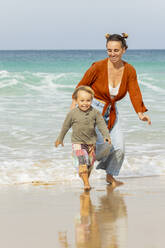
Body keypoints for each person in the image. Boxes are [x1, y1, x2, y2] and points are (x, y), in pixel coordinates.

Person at [71, 33, 151, 187]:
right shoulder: (98, 67)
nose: (112, 54)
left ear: (124, 50)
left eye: (116, 50)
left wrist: (140, 113)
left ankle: (110, 176)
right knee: (104, 145)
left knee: (119, 147)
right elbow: (81, 87)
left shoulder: (129, 70)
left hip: (112, 111)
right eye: (109, 50)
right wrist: (74, 109)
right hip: (92, 109)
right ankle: (86, 164)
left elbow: (134, 91)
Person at [55, 86, 111, 191]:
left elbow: (101, 125)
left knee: (89, 164)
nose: (85, 103)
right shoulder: (72, 113)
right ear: (76, 101)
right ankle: (86, 184)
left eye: (88, 100)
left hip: (91, 143)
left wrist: (106, 136)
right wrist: (60, 138)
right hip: (78, 142)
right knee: (83, 163)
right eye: (82, 101)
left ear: (92, 100)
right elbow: (65, 126)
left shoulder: (95, 113)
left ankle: (85, 178)